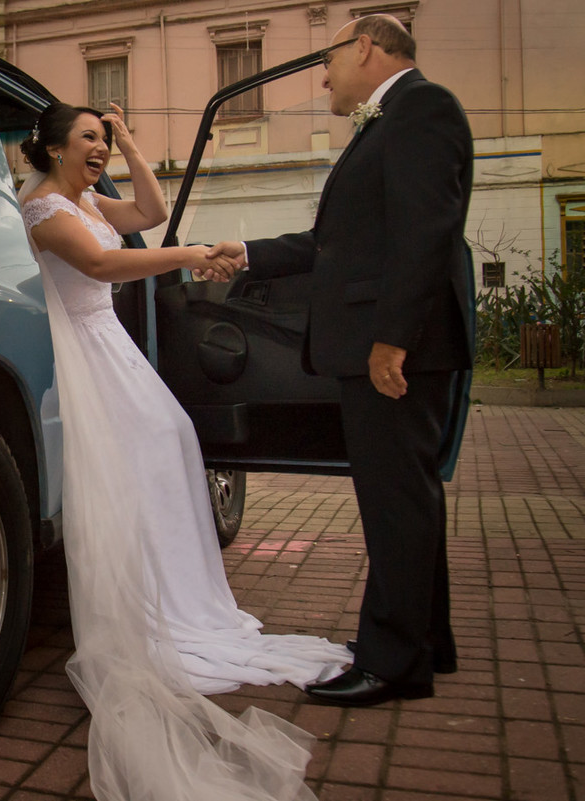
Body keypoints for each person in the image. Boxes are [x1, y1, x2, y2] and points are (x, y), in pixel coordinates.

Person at [18, 101, 350, 800]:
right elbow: (106, 265)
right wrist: (197, 254)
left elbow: (150, 209)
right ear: (51, 148)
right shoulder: (46, 211)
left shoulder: (88, 198)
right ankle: (145, 605)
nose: (100, 148)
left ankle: (179, 597)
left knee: (171, 440)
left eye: (104, 138)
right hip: (85, 352)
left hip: (112, 349)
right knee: (148, 452)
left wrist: (134, 143)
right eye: (89, 138)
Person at [208, 14, 473, 707]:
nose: (324, 76)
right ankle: (423, 641)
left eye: (329, 60)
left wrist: (392, 340)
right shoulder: (394, 122)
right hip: (389, 345)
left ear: (364, 46)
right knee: (407, 500)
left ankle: (393, 664)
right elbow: (334, 243)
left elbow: (426, 233)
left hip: (396, 351)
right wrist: (251, 254)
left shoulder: (424, 109)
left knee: (395, 502)